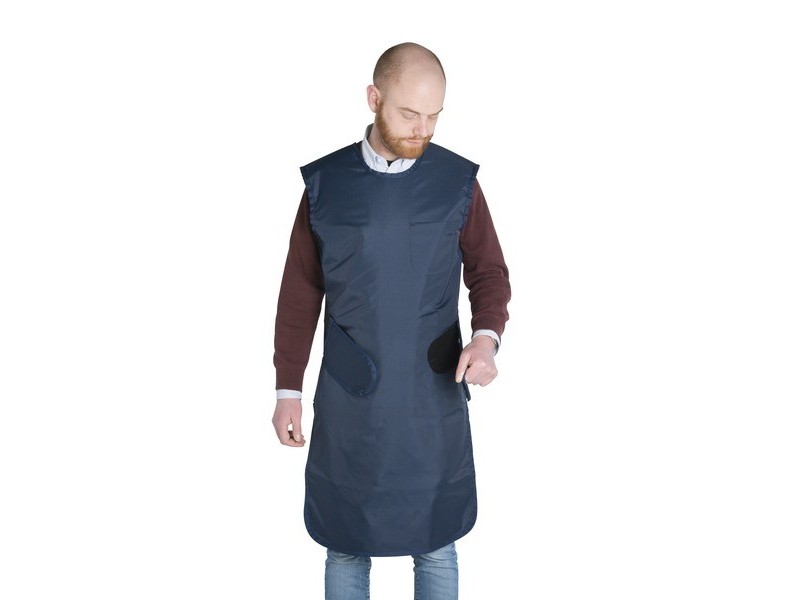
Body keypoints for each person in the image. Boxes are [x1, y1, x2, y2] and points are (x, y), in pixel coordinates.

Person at [271, 42, 511, 600]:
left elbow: (489, 271)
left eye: (434, 116)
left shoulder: (457, 181)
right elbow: (300, 292)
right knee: (345, 541)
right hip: (351, 398)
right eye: (409, 114)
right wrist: (288, 389)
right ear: (374, 99)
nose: (422, 130)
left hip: (431, 393)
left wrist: (486, 337)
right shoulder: (325, 186)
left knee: (436, 542)